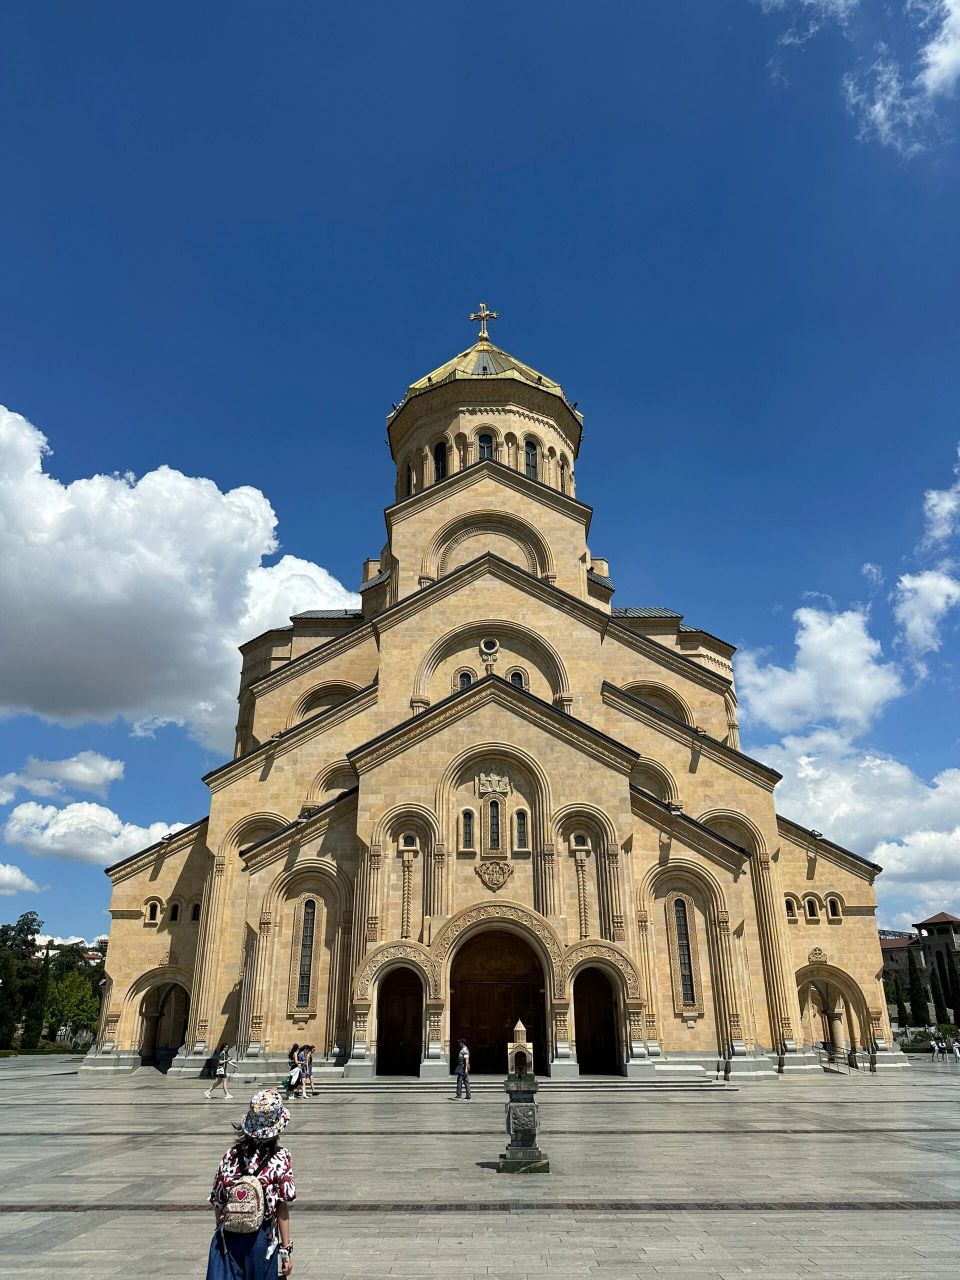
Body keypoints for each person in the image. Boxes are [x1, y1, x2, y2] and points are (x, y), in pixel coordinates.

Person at [207, 1089, 296, 1279]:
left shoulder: (230, 1155)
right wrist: (285, 1251)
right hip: (261, 1240)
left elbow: (218, 1202)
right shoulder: (280, 1158)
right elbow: (281, 1207)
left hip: (228, 1238)